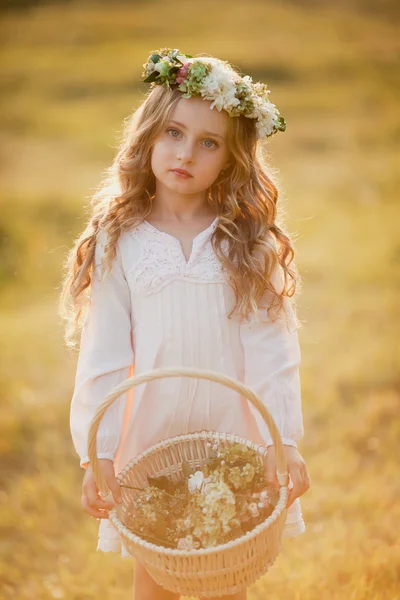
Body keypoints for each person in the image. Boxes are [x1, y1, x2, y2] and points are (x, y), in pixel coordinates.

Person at [59, 47, 311, 600]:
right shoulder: (118, 239)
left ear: (231, 157)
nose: (185, 153)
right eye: (173, 132)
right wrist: (97, 452)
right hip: (152, 442)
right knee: (155, 582)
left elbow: (272, 347)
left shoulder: (246, 242)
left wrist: (282, 440)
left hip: (233, 438)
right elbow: (103, 352)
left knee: (227, 576)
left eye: (209, 142)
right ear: (149, 134)